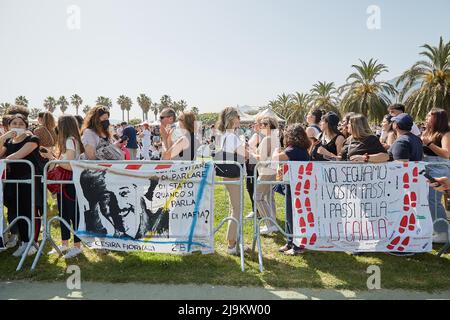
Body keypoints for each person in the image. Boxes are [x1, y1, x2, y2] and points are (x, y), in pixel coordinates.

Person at [0, 114, 45, 257]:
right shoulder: (8, 142)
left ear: (26, 126)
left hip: (31, 179)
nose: (17, 126)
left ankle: (32, 243)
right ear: (9, 126)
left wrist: (5, 160)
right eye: (14, 123)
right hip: (14, 181)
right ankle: (23, 241)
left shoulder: (32, 139)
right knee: (17, 211)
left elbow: (18, 155)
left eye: (21, 124)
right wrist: (4, 137)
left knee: (30, 210)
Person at [41, 115, 84, 259]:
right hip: (65, 182)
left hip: (70, 182)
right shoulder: (69, 141)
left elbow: (70, 165)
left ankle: (77, 246)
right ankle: (65, 244)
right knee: (63, 214)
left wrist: (52, 158)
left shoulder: (70, 141)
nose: (56, 127)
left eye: (59, 124)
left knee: (73, 214)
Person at [272, 124, 311, 256]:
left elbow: (275, 158)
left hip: (296, 187)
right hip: (295, 186)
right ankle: (290, 242)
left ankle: (297, 245)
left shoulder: (294, 150)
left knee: (294, 216)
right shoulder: (300, 149)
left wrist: (275, 149)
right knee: (290, 215)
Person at [216, 107, 249, 255]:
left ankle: (236, 240)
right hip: (233, 175)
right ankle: (231, 244)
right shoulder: (232, 136)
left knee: (234, 208)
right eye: (237, 117)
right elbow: (244, 154)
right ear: (231, 118)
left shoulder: (223, 135)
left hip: (228, 174)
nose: (239, 119)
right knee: (237, 209)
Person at [421, 108, 450, 244]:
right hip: (427, 167)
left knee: (433, 201)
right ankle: (435, 229)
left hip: (439, 169)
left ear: (437, 119)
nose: (426, 118)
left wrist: (429, 144)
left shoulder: (445, 133)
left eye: (429, 116)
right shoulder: (428, 132)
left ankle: (443, 233)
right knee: (427, 201)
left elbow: (446, 153)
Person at [252, 115, 279, 235]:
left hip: (266, 172)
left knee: (257, 197)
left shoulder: (267, 139)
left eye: (262, 124)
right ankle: (271, 223)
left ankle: (270, 224)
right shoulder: (274, 137)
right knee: (268, 198)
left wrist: (251, 154)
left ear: (268, 125)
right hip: (271, 171)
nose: (260, 126)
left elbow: (262, 159)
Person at [245, 116, 263, 219]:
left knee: (255, 188)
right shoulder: (255, 135)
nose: (253, 125)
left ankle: (258, 211)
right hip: (250, 164)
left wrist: (249, 150)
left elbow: (258, 151)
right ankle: (255, 210)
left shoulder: (261, 136)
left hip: (256, 164)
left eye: (255, 123)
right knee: (250, 187)